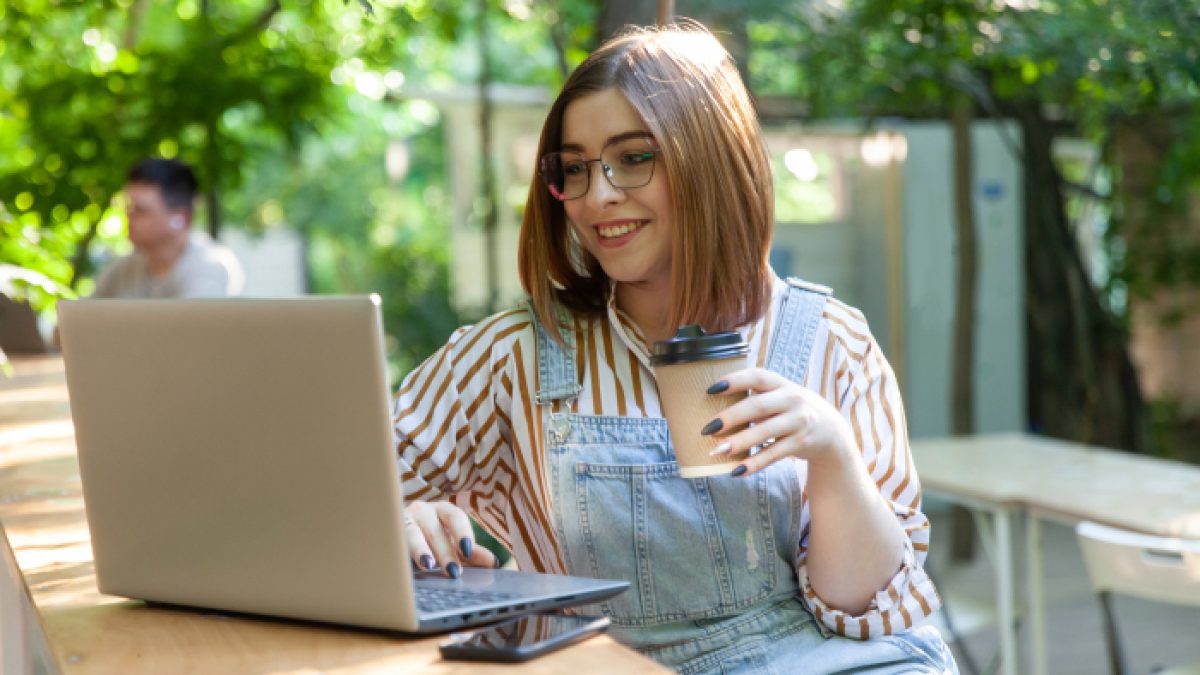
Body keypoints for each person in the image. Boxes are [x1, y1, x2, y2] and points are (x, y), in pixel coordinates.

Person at [393, 24, 957, 673]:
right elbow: (335, 505)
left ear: (711, 159)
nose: (598, 195)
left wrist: (830, 453)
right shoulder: (512, 356)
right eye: (574, 168)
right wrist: (406, 523)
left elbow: (862, 608)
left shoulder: (831, 338)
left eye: (634, 157)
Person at [91, 158, 244, 299]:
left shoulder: (209, 267)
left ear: (180, 219)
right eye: (127, 207)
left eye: (140, 210)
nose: (128, 217)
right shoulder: (123, 269)